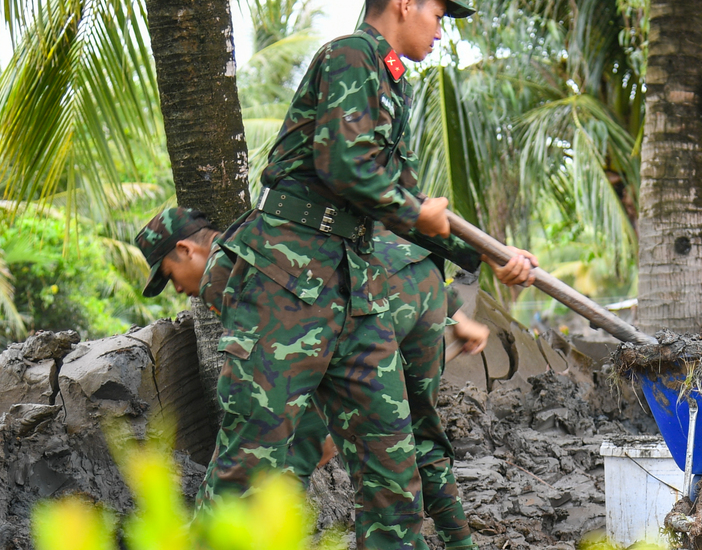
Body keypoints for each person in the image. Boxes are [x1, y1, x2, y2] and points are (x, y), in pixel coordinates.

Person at [201, 0, 535, 550]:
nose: (441, 30)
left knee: (388, 437)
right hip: (287, 276)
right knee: (255, 447)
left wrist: (496, 258)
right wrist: (414, 210)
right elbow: (346, 167)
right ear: (406, 3)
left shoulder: (389, 82)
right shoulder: (350, 56)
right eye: (438, 14)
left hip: (351, 280)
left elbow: (406, 204)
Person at [135, 204, 495, 493]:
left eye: (169, 275)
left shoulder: (225, 273)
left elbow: (275, 373)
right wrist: (455, 315)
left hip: (352, 340)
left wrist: (321, 424)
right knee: (409, 446)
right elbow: (376, 256)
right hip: (383, 321)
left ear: (185, 249)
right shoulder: (262, 234)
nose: (176, 289)